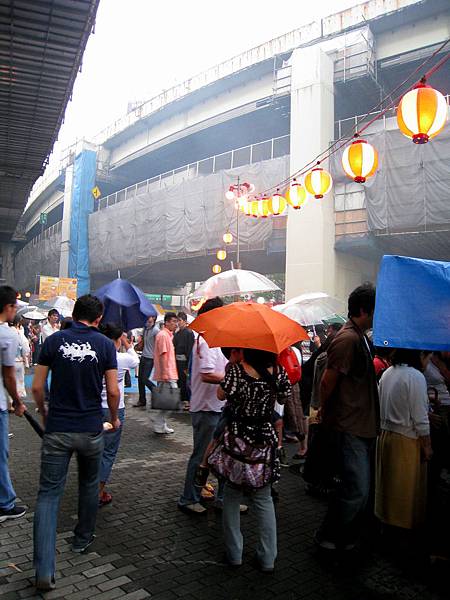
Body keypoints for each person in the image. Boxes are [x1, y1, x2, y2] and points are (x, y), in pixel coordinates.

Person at [32, 294, 120, 592]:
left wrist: (45, 414)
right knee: (88, 484)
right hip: (91, 429)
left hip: (57, 429)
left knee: (48, 495)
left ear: (75, 313)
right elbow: (113, 391)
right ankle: (82, 540)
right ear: (98, 318)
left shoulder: (53, 341)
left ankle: (44, 569)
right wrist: (113, 418)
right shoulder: (106, 345)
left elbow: (36, 386)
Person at [315, 283, 379, 551]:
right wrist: (324, 414)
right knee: (357, 488)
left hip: (361, 425)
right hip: (349, 425)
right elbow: (327, 383)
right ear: (364, 310)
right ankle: (331, 538)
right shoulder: (348, 339)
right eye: (377, 309)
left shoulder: (360, 336)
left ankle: (339, 536)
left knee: (353, 487)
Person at [219, 349, 292, 571]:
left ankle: (234, 554)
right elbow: (283, 397)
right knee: (264, 497)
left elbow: (220, 395)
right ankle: (268, 557)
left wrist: (231, 365)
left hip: (238, 438)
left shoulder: (237, 371)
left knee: (232, 495)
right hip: (264, 439)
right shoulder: (278, 371)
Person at [178, 297, 228, 514]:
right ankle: (189, 499)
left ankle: (224, 498)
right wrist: (233, 379)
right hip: (207, 408)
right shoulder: (206, 340)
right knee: (202, 456)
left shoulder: (218, 339)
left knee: (223, 455)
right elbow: (207, 375)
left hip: (218, 406)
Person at [375, 349, 432, 530]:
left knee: (387, 487)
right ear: (420, 355)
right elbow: (420, 418)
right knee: (404, 490)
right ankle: (402, 531)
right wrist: (427, 445)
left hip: (385, 437)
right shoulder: (415, 377)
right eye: (428, 357)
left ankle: (386, 524)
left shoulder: (388, 373)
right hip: (406, 441)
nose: (429, 362)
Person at [98, 323, 139, 506]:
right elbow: (136, 360)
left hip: (93, 408)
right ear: (116, 340)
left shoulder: (94, 356)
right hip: (114, 409)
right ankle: (98, 491)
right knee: (108, 452)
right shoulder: (121, 358)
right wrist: (126, 341)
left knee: (93, 450)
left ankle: (89, 487)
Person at [0, 286, 27, 523]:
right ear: (8, 307)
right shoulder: (7, 334)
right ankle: (5, 504)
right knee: (1, 455)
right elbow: (8, 376)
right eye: (14, 306)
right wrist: (17, 402)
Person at [151, 312, 179, 434]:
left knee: (168, 401)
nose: (175, 324)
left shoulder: (167, 335)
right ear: (166, 322)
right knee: (170, 401)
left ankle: (161, 424)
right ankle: (158, 422)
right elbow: (162, 355)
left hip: (169, 373)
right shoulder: (163, 335)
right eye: (173, 321)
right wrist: (165, 374)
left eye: (176, 321)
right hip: (167, 374)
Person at [134, 315, 158, 408]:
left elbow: (157, 345)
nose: (148, 318)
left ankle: (156, 392)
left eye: (150, 316)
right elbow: (143, 342)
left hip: (151, 358)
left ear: (154, 318)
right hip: (144, 356)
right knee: (140, 379)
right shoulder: (145, 329)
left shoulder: (156, 331)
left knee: (145, 378)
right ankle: (142, 400)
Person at [173, 311, 194, 408]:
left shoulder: (189, 333)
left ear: (185, 321)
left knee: (185, 381)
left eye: (180, 320)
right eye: (177, 321)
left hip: (185, 361)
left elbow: (190, 350)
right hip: (177, 360)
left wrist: (188, 365)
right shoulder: (177, 334)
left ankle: (187, 400)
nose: (178, 323)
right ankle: (182, 399)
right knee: (180, 381)